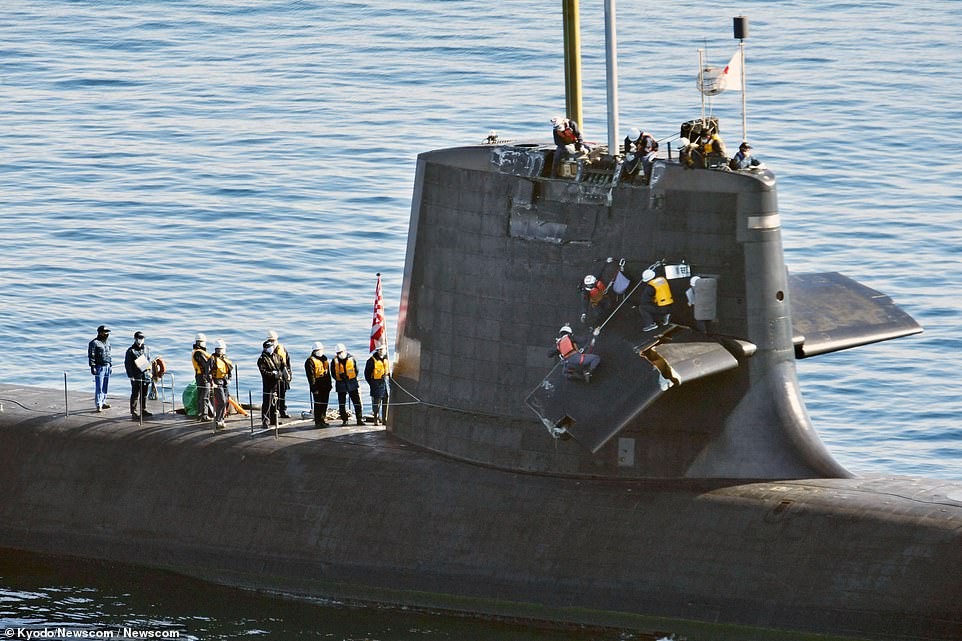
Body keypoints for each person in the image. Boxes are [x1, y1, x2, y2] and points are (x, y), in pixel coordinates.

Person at [332, 343, 364, 426]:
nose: (340, 354)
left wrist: (350, 377)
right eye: (338, 353)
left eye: (341, 352)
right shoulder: (334, 361)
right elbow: (333, 373)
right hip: (341, 384)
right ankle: (344, 420)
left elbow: (356, 370)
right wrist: (339, 377)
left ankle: (359, 419)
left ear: (345, 351)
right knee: (342, 404)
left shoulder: (352, 359)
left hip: (352, 383)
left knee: (357, 402)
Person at [124, 331, 152, 420]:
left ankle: (143, 409)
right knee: (135, 394)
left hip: (146, 374)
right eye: (138, 339)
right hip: (136, 375)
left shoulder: (146, 348)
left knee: (144, 394)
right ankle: (134, 411)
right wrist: (130, 376)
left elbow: (148, 360)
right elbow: (127, 364)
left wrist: (150, 372)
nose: (140, 341)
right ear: (135, 339)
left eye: (141, 339)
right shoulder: (130, 351)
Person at [206, 339, 233, 430]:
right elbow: (208, 372)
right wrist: (212, 382)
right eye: (219, 349)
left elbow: (229, 369)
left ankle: (222, 418)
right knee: (221, 401)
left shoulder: (225, 359)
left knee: (225, 401)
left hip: (224, 381)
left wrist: (229, 378)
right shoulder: (212, 359)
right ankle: (218, 420)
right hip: (217, 382)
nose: (220, 351)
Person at [304, 342, 332, 427]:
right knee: (318, 403)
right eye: (317, 350)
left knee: (324, 403)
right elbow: (310, 376)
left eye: (320, 350)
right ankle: (318, 421)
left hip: (325, 384)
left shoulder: (324, 359)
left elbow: (328, 373)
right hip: (317, 384)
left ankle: (323, 419)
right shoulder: (310, 361)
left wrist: (329, 384)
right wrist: (314, 388)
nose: (319, 351)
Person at [266, 330, 292, 419]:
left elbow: (287, 362)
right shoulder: (268, 352)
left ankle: (283, 411)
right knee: (274, 396)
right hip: (274, 376)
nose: (272, 342)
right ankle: (273, 413)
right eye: (270, 340)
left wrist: (289, 374)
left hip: (283, 375)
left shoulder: (283, 349)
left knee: (282, 394)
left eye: (273, 340)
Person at [257, 340, 283, 428]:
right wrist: (273, 374)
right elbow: (263, 372)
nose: (271, 348)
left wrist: (282, 374)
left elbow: (283, 366)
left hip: (277, 382)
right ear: (265, 348)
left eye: (272, 346)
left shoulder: (277, 356)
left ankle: (274, 419)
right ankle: (265, 420)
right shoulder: (262, 359)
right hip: (268, 383)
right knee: (267, 402)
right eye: (269, 347)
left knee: (275, 402)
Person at [87, 325, 112, 412]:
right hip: (99, 366)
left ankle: (103, 401)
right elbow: (91, 356)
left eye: (107, 332)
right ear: (100, 333)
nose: (107, 334)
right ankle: (98, 404)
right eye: (105, 332)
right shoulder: (94, 343)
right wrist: (92, 366)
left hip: (107, 365)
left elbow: (109, 354)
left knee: (105, 385)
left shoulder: (107, 342)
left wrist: (110, 364)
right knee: (99, 386)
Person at [364, 345, 390, 426]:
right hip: (376, 383)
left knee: (386, 401)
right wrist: (372, 383)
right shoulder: (371, 361)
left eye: (383, 350)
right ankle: (376, 418)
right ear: (377, 351)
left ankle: (384, 419)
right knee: (376, 402)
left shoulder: (386, 359)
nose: (382, 351)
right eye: (380, 350)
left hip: (385, 382)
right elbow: (367, 374)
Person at [191, 333, 212, 421]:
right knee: (204, 395)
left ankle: (200, 414)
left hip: (200, 376)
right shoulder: (199, 353)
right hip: (203, 376)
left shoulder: (196, 352)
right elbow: (205, 365)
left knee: (201, 395)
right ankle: (204, 415)